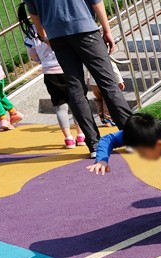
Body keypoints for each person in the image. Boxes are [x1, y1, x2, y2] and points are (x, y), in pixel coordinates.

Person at [25, 0, 133, 157]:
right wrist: (107, 30)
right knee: (107, 83)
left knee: (75, 88)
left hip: (57, 36)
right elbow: (96, 1)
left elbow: (33, 13)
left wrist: (44, 36)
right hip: (85, 29)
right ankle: (131, 137)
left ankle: (94, 143)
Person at [18, 3, 84, 148]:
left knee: (60, 107)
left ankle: (68, 139)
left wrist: (41, 60)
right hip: (69, 68)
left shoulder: (31, 30)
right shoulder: (56, 22)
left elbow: (32, 54)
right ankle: (81, 135)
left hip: (50, 72)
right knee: (77, 103)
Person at [87, 58, 125, 127]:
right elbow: (114, 69)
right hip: (104, 82)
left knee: (99, 99)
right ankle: (108, 119)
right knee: (107, 100)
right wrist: (120, 81)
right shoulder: (105, 56)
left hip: (93, 84)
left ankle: (102, 116)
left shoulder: (89, 56)